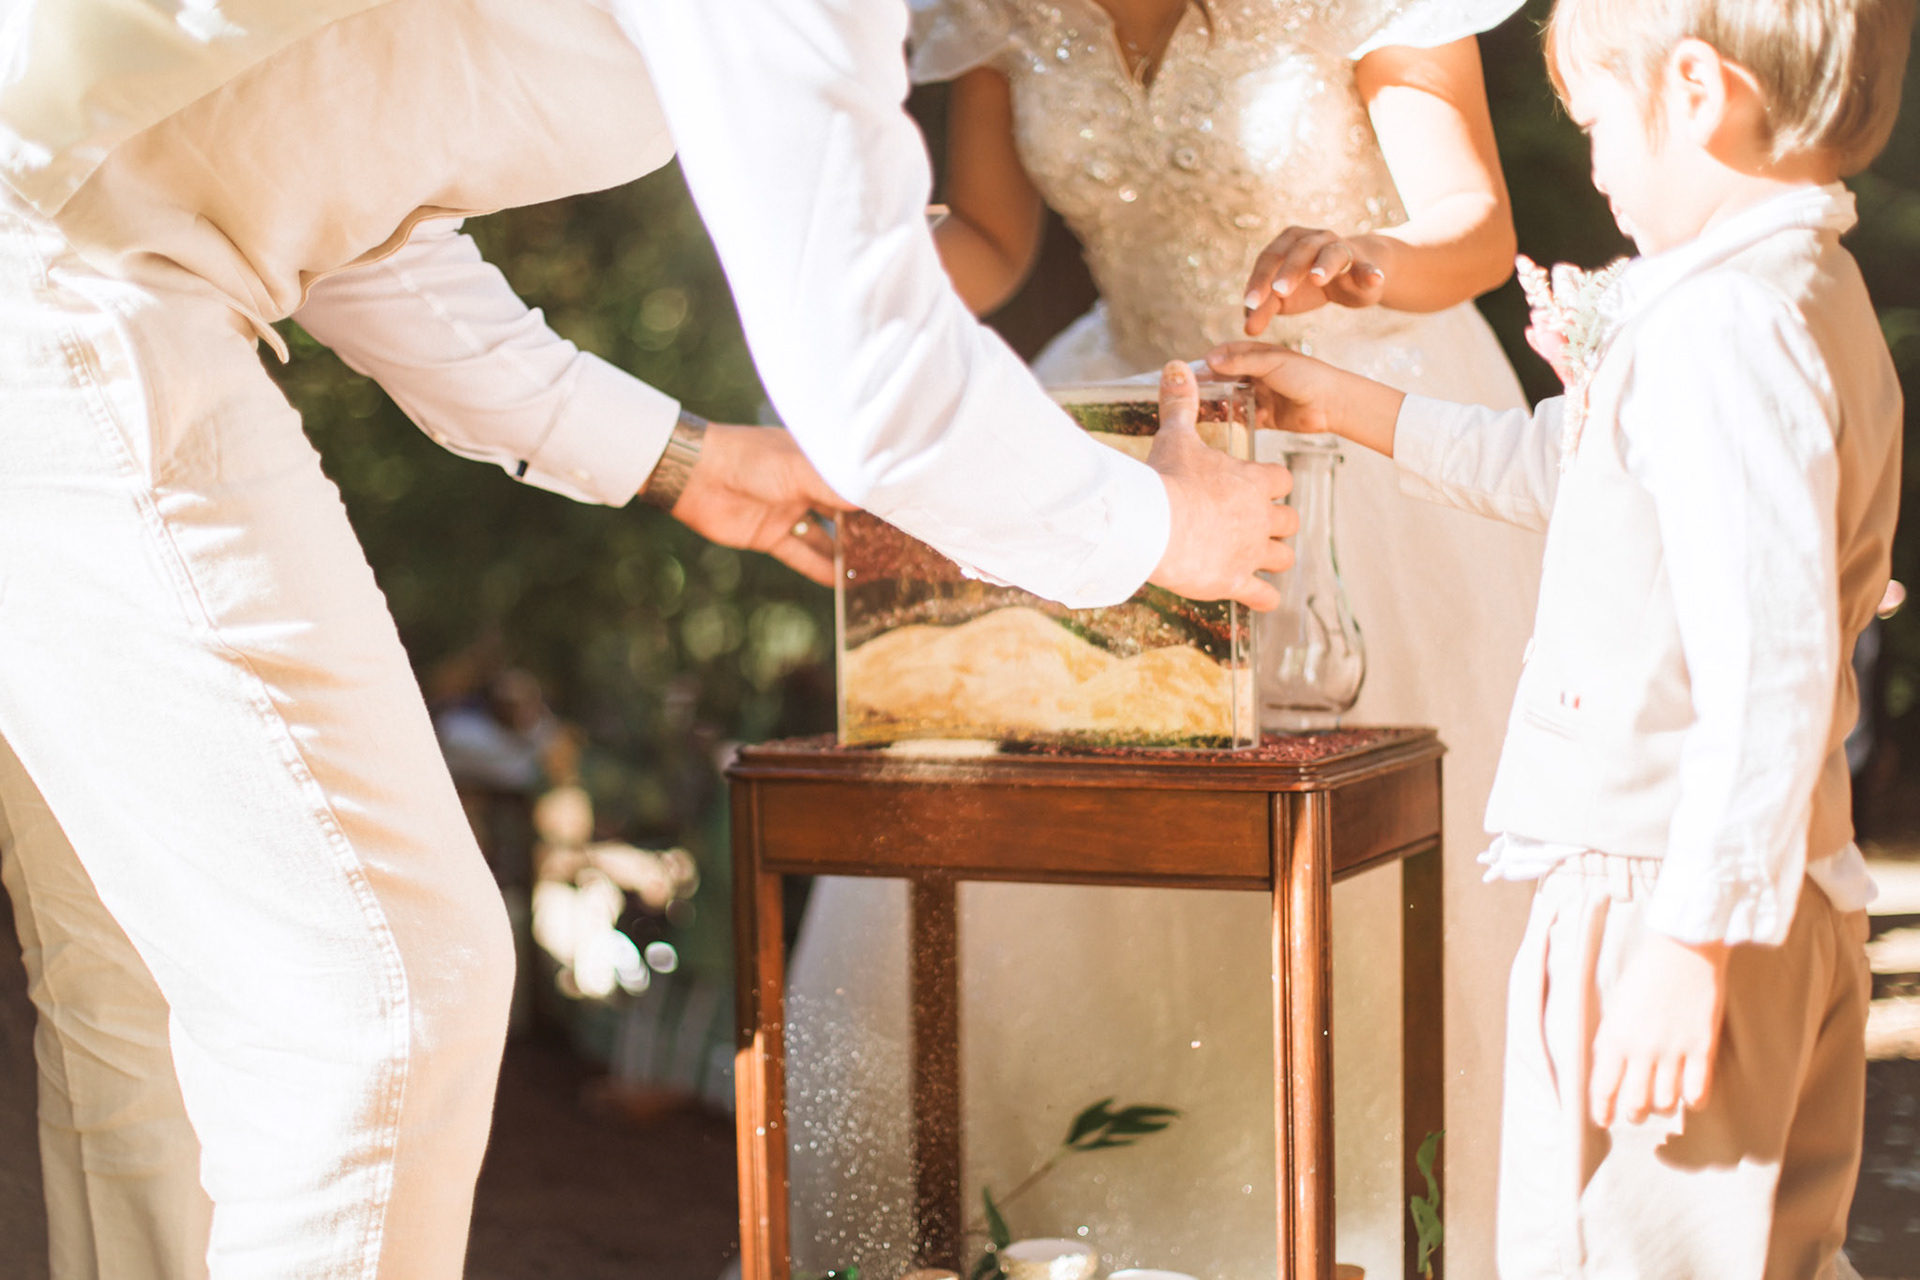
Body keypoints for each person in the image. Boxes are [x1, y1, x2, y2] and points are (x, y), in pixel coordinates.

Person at [0, 0, 1297, 1274]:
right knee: (385, 994)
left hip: (81, 255)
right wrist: (1164, 528)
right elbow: (877, 375)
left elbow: (332, 200)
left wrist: (681, 459)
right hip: (68, 288)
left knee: (148, 996)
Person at [786, 1, 1543, 1274]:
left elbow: (1474, 229)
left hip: (1358, 427)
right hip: (1122, 438)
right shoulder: (996, 11)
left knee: (1372, 876)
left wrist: (1365, 256)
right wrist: (844, 291)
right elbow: (991, 239)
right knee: (1052, 866)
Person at [1209, 0, 1911, 1270]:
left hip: (1667, 890)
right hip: (1722, 883)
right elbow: (1567, 470)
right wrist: (1349, 404)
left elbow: (1776, 661)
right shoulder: (1796, 293)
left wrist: (1691, 944)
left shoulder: (1728, 329)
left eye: (1596, 126)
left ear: (1694, 91)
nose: (1593, 169)